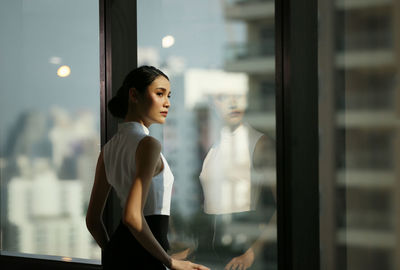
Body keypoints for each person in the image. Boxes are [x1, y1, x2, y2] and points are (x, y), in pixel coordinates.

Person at [86, 66, 210, 270]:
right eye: (160, 94)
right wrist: (170, 261)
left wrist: (115, 253)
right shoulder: (148, 144)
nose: (167, 103)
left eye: (168, 95)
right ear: (134, 95)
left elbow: (92, 220)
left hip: (121, 255)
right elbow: (132, 216)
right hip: (147, 258)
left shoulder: (108, 150)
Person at [198, 93, 276, 270]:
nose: (233, 103)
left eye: (238, 96)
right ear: (214, 103)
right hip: (212, 248)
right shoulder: (214, 147)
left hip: (242, 247)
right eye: (224, 97)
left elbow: (285, 205)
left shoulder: (259, 143)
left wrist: (252, 252)